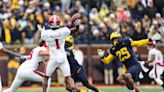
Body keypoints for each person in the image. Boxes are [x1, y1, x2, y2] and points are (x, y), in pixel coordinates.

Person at [38, 15, 80, 92]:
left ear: (50, 23)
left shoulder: (46, 33)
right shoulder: (64, 30)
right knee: (68, 77)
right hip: (63, 57)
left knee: (46, 77)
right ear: (59, 23)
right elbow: (75, 30)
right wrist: (77, 25)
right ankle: (73, 90)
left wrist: (42, 32)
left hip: (53, 58)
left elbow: (40, 44)